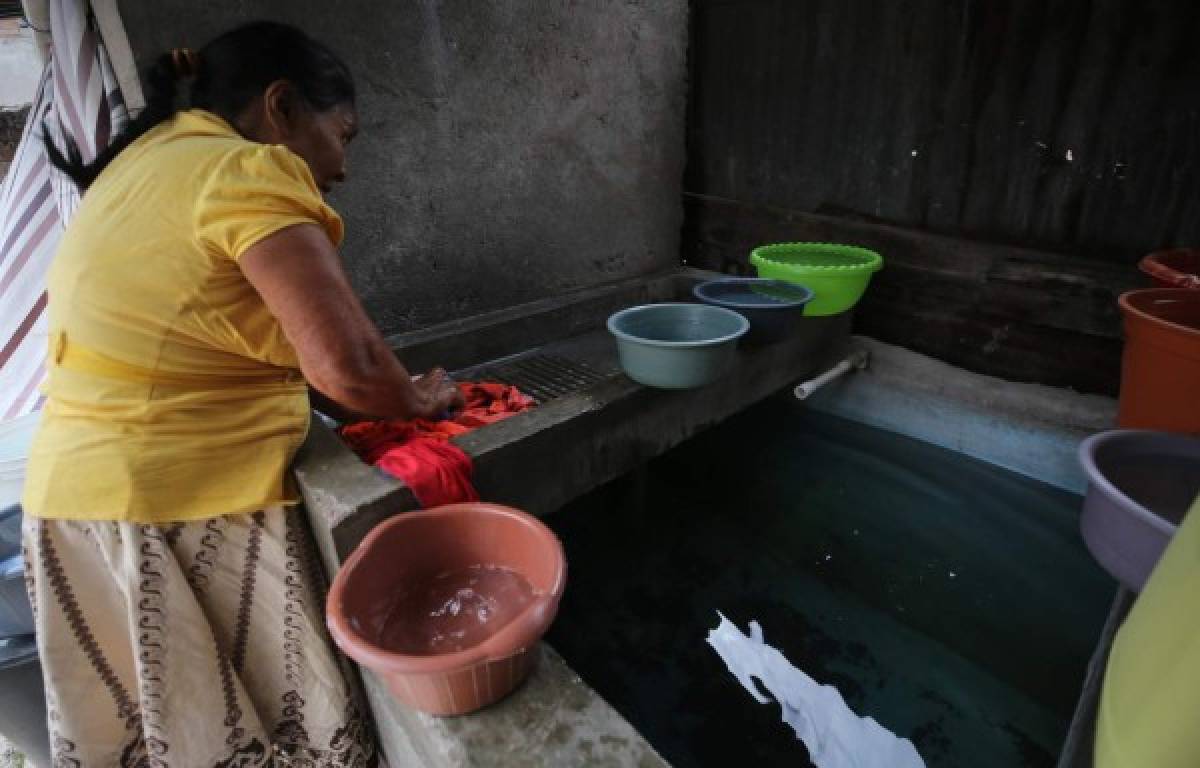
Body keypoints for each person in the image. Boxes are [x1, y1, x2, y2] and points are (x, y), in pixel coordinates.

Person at [22, 20, 463, 766]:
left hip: (73, 505)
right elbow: (350, 368)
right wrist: (416, 399)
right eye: (344, 136)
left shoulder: (148, 163)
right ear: (280, 107)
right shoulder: (247, 170)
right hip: (173, 504)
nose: (344, 168)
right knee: (288, 743)